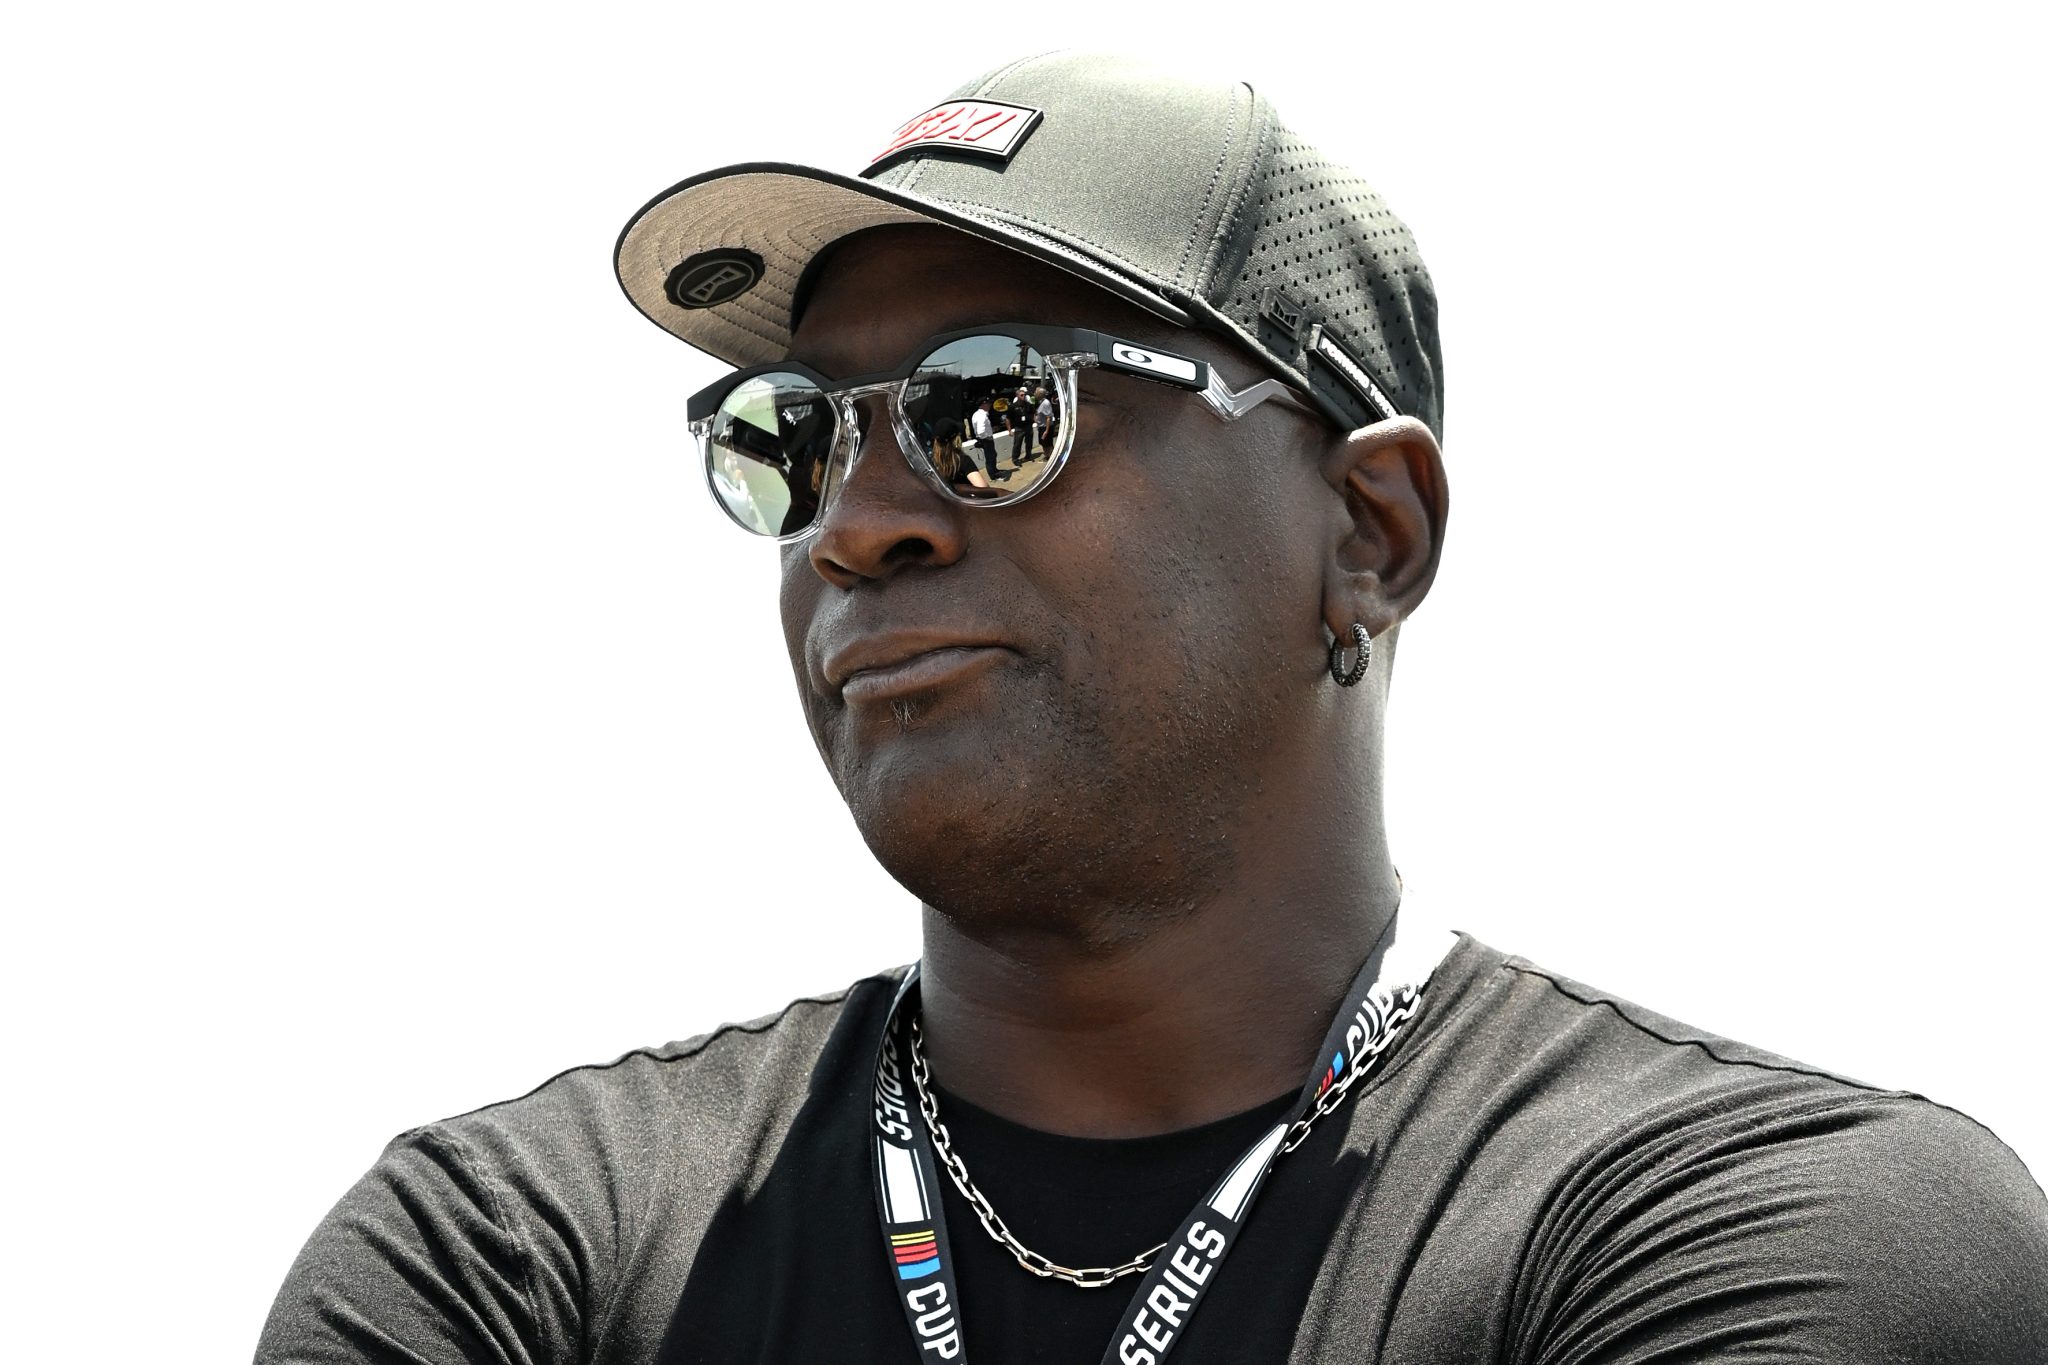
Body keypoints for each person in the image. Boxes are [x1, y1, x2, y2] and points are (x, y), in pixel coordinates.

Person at [258, 52, 2048, 1364]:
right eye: (792, 437)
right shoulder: (523, 1261)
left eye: (994, 408)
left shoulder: (1762, 1231)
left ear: (1370, 533)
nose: (860, 521)